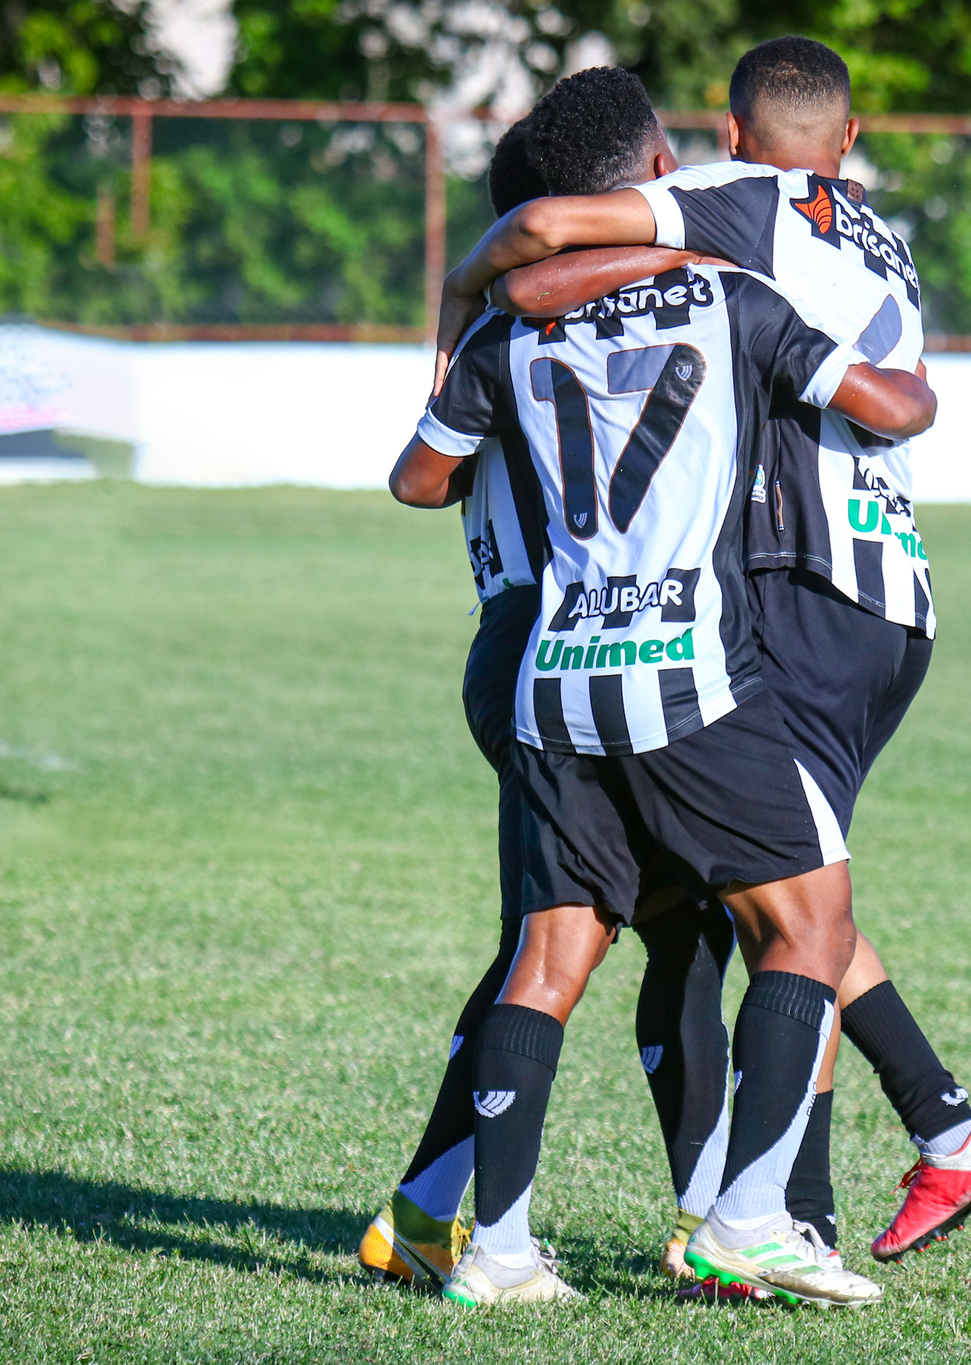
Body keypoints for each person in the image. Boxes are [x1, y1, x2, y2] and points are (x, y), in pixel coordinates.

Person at [436, 36, 971, 1268]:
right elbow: (901, 396)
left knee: (756, 911)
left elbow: (541, 239)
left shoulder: (729, 207)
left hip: (781, 581)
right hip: (892, 596)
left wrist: (459, 308)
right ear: (848, 141)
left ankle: (792, 1206)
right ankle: (909, 1140)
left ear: (723, 134)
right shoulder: (878, 232)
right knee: (752, 897)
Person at [357, 118, 743, 1296]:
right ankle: (704, 1223)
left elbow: (421, 476)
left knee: (615, 931)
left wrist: (465, 292)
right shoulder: (590, 312)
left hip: (511, 642)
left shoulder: (494, 322)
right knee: (597, 937)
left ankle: (431, 1212)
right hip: (571, 637)